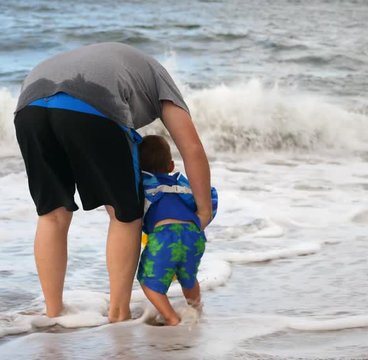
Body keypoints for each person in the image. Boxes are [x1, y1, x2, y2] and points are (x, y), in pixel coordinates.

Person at [13, 42, 212, 323]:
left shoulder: (115, 61)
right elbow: (191, 147)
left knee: (52, 215)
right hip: (93, 102)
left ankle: (53, 313)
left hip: (29, 106)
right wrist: (203, 211)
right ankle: (119, 314)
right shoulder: (160, 78)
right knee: (125, 213)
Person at [137, 135, 217, 325]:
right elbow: (210, 196)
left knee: (149, 282)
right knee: (188, 277)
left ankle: (171, 317)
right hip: (194, 235)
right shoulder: (182, 185)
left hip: (165, 237)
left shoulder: (142, 183)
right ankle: (196, 310)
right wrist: (202, 220)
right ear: (171, 166)